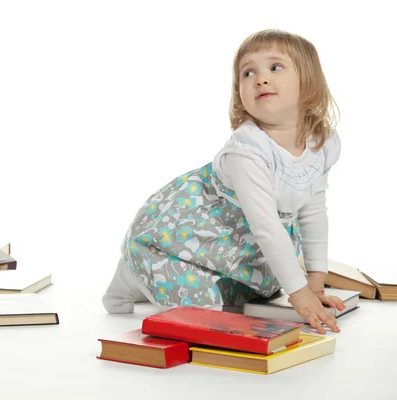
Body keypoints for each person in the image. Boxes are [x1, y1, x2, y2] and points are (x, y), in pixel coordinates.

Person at [101, 29, 347, 335]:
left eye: (275, 67)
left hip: (235, 246)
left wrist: (314, 284)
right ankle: (131, 276)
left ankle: (145, 281)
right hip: (187, 237)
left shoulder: (320, 143)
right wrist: (299, 296)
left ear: (308, 81)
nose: (260, 78)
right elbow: (267, 227)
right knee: (205, 314)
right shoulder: (247, 150)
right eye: (248, 72)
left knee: (251, 298)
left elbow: (312, 212)